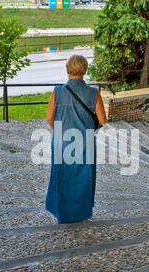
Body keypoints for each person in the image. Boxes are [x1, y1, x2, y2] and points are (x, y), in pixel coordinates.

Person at [45, 55, 107, 224]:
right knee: (83, 178)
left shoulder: (57, 92)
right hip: (85, 142)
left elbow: (49, 119)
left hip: (62, 141)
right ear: (85, 70)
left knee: (62, 177)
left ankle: (62, 213)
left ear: (67, 69)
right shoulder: (93, 93)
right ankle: (81, 213)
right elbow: (102, 120)